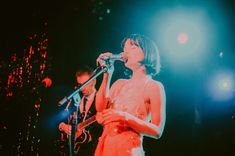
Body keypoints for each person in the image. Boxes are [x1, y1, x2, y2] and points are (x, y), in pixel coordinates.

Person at [95, 34, 166, 156]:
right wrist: (107, 74)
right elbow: (100, 108)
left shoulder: (153, 86)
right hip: (106, 147)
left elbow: (157, 131)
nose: (125, 51)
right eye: (125, 47)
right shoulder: (119, 84)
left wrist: (124, 116)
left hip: (128, 150)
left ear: (147, 53)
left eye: (132, 47)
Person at [58, 66, 102, 156]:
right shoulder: (74, 100)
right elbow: (59, 119)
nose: (82, 88)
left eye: (85, 84)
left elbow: (101, 130)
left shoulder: (101, 101)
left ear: (93, 81)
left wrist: (86, 136)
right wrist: (62, 126)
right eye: (80, 84)